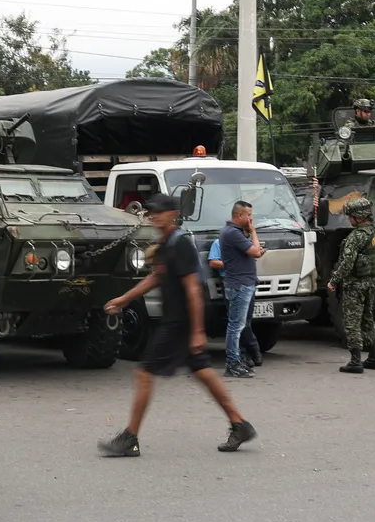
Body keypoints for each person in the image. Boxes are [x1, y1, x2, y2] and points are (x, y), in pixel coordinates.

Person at [98, 193, 257, 457]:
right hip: (179, 320)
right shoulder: (165, 243)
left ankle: (130, 438)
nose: (154, 216)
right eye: (151, 212)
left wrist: (196, 331)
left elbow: (193, 289)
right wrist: (124, 299)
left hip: (181, 321)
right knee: (202, 370)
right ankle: (239, 424)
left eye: (159, 211)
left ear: (172, 214)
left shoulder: (180, 243)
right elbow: (155, 278)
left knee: (145, 372)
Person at [325, 197, 375, 374]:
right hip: (371, 283)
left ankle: (355, 361)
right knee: (368, 320)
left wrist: (334, 281)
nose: (349, 219)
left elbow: (347, 263)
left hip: (355, 285)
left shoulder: (355, 237)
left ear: (358, 217)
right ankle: (374, 357)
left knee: (351, 322)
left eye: (350, 216)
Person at [217, 201, 266, 378]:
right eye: (249, 215)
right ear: (239, 216)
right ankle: (232, 363)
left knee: (239, 325)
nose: (251, 219)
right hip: (239, 285)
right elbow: (255, 252)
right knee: (236, 327)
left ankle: (237, 361)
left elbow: (256, 251)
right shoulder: (232, 233)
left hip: (242, 283)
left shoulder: (234, 233)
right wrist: (253, 231)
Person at [208, 237, 263, 370]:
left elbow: (256, 254)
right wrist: (234, 264)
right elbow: (213, 262)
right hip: (232, 281)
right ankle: (247, 352)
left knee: (246, 320)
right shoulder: (219, 242)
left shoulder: (247, 243)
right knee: (238, 322)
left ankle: (248, 351)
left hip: (248, 281)